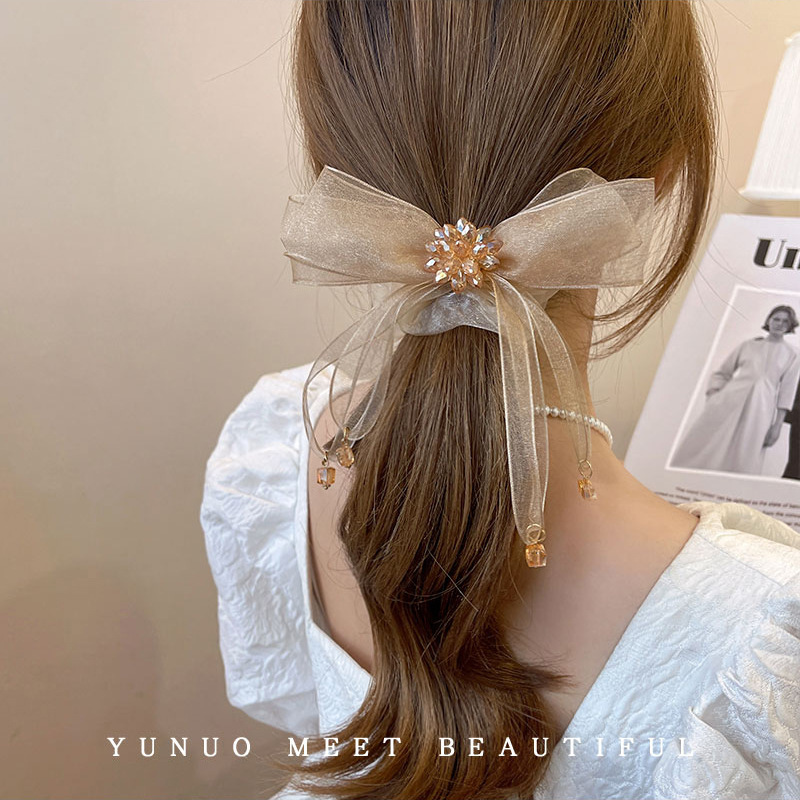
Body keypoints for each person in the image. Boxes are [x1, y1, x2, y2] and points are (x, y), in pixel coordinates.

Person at [200, 3, 800, 799]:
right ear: (661, 175)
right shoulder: (762, 627)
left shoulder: (282, 446)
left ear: (333, 164)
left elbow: (293, 701)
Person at [671, 305, 800, 476]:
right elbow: (722, 373)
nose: (779, 324)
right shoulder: (748, 345)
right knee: (706, 448)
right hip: (728, 402)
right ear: (769, 320)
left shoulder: (793, 354)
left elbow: (787, 392)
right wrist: (713, 397)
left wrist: (776, 427)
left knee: (745, 457)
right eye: (776, 319)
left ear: (790, 326)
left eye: (785, 321)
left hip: (760, 410)